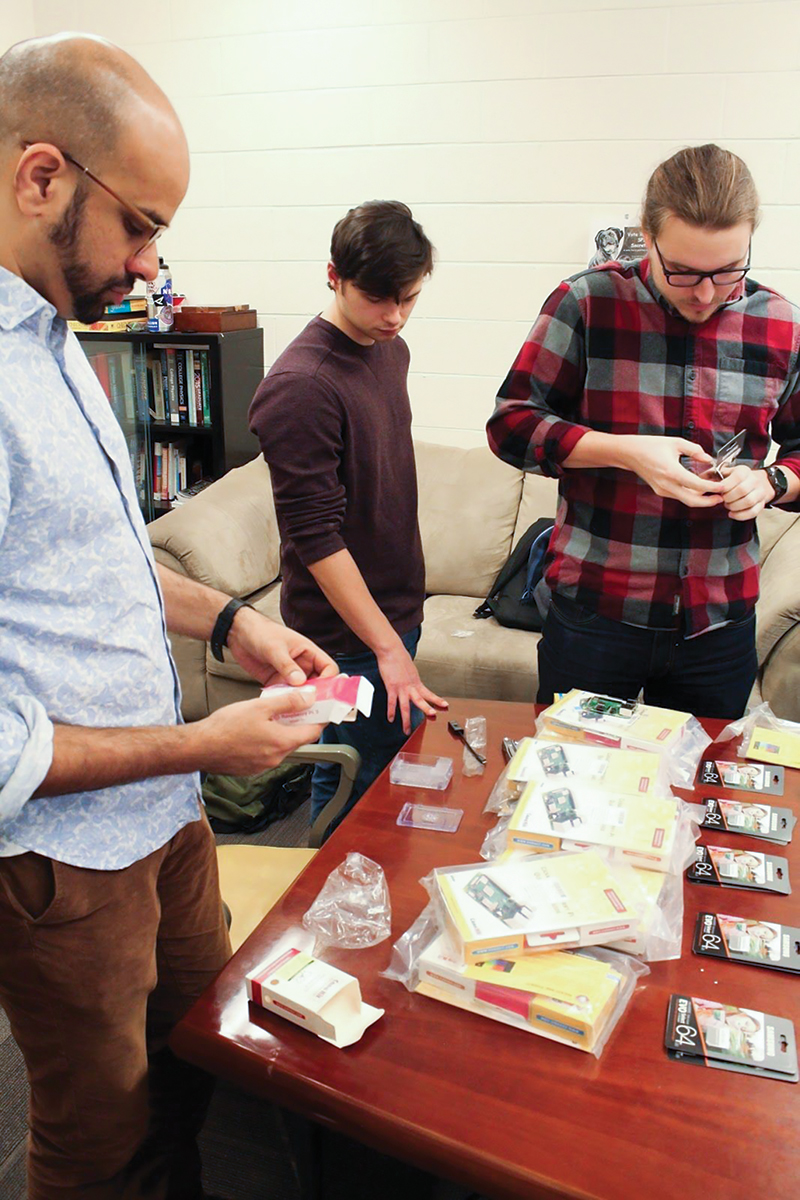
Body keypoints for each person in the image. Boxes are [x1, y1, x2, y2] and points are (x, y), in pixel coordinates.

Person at [0, 34, 337, 1200]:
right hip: (64, 865)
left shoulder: (58, 340)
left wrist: (232, 625)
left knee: (199, 1055)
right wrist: (209, 742)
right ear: (42, 176)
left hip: (167, 819)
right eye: (139, 224)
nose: (151, 262)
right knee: (100, 1137)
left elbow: (101, 569)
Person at [488, 144, 800, 720]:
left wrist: (772, 482)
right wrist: (626, 453)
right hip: (594, 615)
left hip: (719, 624)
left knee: (704, 798)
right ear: (647, 235)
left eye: (729, 270)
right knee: (569, 791)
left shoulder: (780, 323)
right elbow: (510, 425)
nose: (705, 294)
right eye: (681, 271)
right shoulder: (585, 303)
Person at [249, 201, 448, 826]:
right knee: (348, 791)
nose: (394, 316)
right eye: (377, 299)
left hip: (393, 613)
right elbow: (314, 537)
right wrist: (387, 649)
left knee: (387, 783)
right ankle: (327, 919)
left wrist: (397, 634)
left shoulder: (391, 350)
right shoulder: (302, 386)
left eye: (409, 299)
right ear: (333, 276)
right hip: (343, 638)